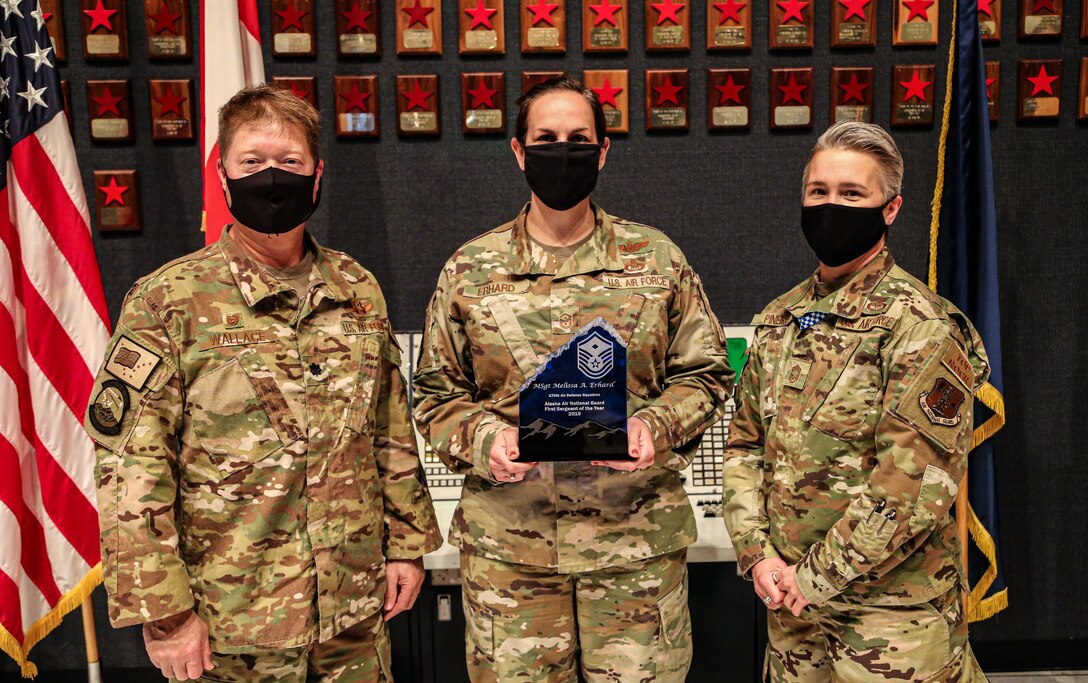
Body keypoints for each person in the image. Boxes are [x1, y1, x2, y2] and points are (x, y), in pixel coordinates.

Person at [84, 84, 442, 683]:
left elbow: (388, 427)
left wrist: (406, 543)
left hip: (352, 612)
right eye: (252, 162)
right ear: (223, 177)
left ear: (317, 173)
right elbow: (131, 466)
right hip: (232, 624)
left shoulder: (356, 288)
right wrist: (166, 616)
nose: (271, 177)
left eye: (290, 162)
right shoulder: (169, 301)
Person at [412, 77, 733, 683]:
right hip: (513, 551)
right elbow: (434, 394)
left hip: (633, 548)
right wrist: (486, 442)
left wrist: (654, 426)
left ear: (603, 150)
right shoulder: (470, 268)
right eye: (546, 138)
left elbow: (707, 374)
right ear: (518, 150)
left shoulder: (657, 259)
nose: (563, 151)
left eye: (579, 139)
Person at [722, 121, 990, 682]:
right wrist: (757, 554)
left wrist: (813, 577)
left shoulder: (920, 325)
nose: (831, 206)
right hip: (790, 608)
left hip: (890, 617)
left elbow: (912, 486)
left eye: (852, 194)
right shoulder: (779, 318)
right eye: (819, 192)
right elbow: (745, 446)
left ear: (889, 210)